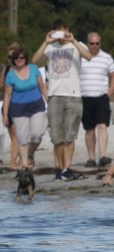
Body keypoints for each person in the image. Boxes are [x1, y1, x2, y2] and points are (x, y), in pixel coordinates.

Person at [32, 19, 93, 181]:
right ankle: (59, 168)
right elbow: (34, 61)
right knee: (57, 137)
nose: (61, 34)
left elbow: (89, 57)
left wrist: (73, 40)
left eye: (63, 30)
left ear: (68, 30)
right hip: (54, 95)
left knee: (70, 135)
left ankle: (68, 168)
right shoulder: (50, 47)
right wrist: (45, 42)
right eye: (57, 31)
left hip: (73, 95)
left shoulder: (77, 45)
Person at [2, 48, 49, 170]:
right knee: (22, 137)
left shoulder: (34, 69)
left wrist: (49, 100)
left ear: (25, 58)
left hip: (36, 105)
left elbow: (43, 87)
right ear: (13, 60)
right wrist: (5, 114)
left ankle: (30, 153)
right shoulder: (10, 75)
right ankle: (24, 164)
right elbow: (7, 96)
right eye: (17, 58)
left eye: (21, 58)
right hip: (18, 108)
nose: (19, 60)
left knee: (37, 134)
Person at [79, 32, 114, 168]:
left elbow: (113, 75)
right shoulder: (81, 57)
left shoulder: (107, 58)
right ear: (88, 43)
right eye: (92, 43)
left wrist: (109, 93)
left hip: (101, 97)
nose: (94, 46)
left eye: (97, 43)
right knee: (89, 129)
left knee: (102, 126)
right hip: (85, 97)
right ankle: (91, 158)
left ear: (101, 43)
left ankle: (103, 156)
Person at [0, 42, 23, 169]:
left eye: (13, 57)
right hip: (8, 104)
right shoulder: (7, 70)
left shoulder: (25, 69)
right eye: (9, 57)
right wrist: (9, 84)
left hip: (21, 104)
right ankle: (15, 159)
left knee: (20, 134)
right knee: (14, 134)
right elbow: (0, 87)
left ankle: (17, 159)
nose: (12, 60)